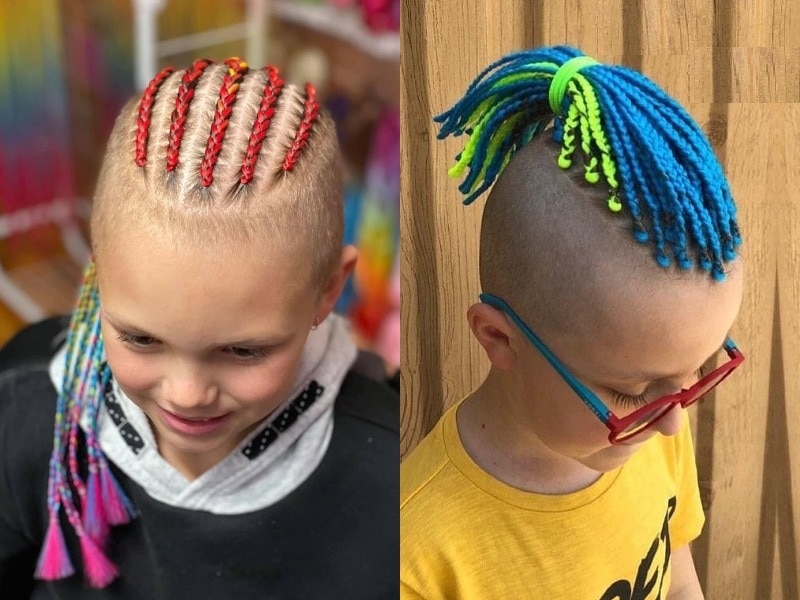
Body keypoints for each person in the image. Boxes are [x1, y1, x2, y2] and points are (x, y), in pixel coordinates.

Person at [0, 57, 398, 599]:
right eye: (141, 339)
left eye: (241, 350)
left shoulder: (394, 478)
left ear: (328, 290)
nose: (187, 395)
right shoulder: (26, 417)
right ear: (101, 267)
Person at [400, 46, 745, 599]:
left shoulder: (650, 425)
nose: (675, 424)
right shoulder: (417, 558)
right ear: (497, 337)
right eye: (631, 391)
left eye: (697, 372)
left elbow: (678, 584)